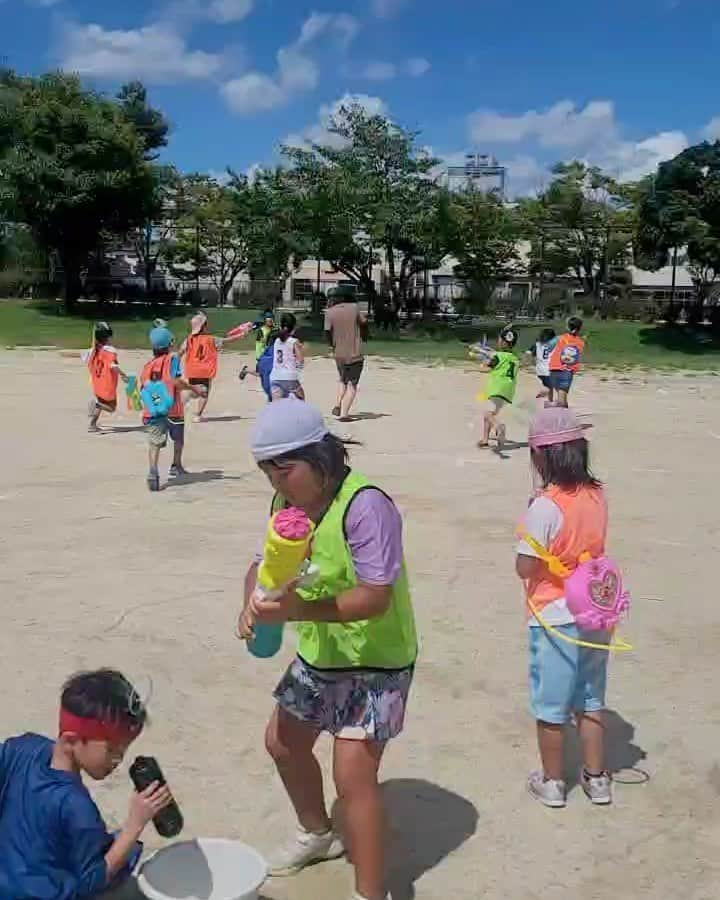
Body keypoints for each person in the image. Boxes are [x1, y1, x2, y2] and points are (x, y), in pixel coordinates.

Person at [238, 400, 418, 900]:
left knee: (353, 776)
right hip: (322, 655)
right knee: (283, 742)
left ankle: (370, 892)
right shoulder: (286, 507)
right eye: (266, 470)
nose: (276, 482)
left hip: (376, 659)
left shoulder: (366, 506)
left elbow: (375, 596)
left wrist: (294, 610)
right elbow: (263, 563)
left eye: (285, 468)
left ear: (322, 456)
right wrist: (250, 603)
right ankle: (318, 834)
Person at [0, 668, 173, 899]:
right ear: (72, 740)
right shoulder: (76, 806)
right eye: (111, 749)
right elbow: (93, 880)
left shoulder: (22, 748)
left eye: (123, 750)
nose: (118, 760)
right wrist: (134, 825)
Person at [515, 407, 612, 808]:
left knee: (550, 703)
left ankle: (553, 782)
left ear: (542, 457)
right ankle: (596, 778)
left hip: (555, 615)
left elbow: (525, 566)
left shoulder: (544, 507)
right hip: (596, 607)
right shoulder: (597, 494)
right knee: (590, 698)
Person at [140, 325, 205, 492]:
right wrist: (194, 389)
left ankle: (153, 472)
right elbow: (176, 382)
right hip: (173, 410)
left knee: (154, 443)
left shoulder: (148, 366)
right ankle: (176, 465)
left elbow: (144, 388)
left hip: (153, 410)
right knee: (178, 439)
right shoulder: (172, 359)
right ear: (169, 344)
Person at [324, 285, 368, 422]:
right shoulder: (354, 308)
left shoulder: (329, 312)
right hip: (355, 353)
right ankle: (344, 413)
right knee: (352, 384)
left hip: (339, 353)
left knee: (343, 380)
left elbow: (327, 331)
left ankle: (337, 404)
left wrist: (332, 344)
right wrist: (365, 335)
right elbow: (364, 322)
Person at [476, 325, 519, 451]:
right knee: (490, 414)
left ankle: (499, 426)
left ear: (503, 342)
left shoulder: (497, 355)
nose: (498, 341)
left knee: (487, 413)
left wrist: (481, 364)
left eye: (500, 339)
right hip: (508, 391)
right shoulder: (515, 359)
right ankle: (485, 440)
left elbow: (488, 367)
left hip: (496, 388)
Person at [84, 322, 128, 433]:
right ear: (107, 337)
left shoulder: (93, 350)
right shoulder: (109, 351)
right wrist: (123, 375)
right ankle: (96, 405)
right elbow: (113, 366)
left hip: (97, 383)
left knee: (101, 403)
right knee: (111, 408)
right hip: (107, 384)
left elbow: (86, 359)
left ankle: (92, 425)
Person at [179, 312, 223, 423]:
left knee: (194, 388)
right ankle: (198, 415)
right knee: (204, 393)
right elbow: (219, 346)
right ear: (203, 327)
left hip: (192, 369)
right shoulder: (210, 338)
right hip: (205, 370)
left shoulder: (189, 338)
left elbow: (181, 351)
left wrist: (176, 361)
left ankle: (185, 399)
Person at [548, 317, 585, 407]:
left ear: (568, 327)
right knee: (562, 395)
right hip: (567, 371)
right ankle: (563, 413)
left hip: (555, 369)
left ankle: (558, 412)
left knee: (556, 393)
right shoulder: (581, 342)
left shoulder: (559, 338)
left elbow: (548, 346)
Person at [270, 314, 305, 401]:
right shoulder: (293, 341)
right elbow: (300, 360)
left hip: (275, 376)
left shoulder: (276, 341)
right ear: (293, 327)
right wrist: (298, 368)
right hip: (290, 377)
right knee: (301, 400)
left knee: (276, 407)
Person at [239, 310, 275, 384]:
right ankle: (246, 370)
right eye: (268, 319)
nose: (270, 321)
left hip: (269, 354)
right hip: (261, 354)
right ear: (265, 320)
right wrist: (247, 329)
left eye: (271, 319)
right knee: (261, 374)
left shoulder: (272, 328)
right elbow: (265, 342)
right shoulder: (262, 331)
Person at [526, 327, 557, 403]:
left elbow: (528, 353)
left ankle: (550, 401)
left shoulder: (537, 344)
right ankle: (542, 394)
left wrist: (532, 362)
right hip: (549, 371)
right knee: (549, 387)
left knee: (549, 386)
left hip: (539, 371)